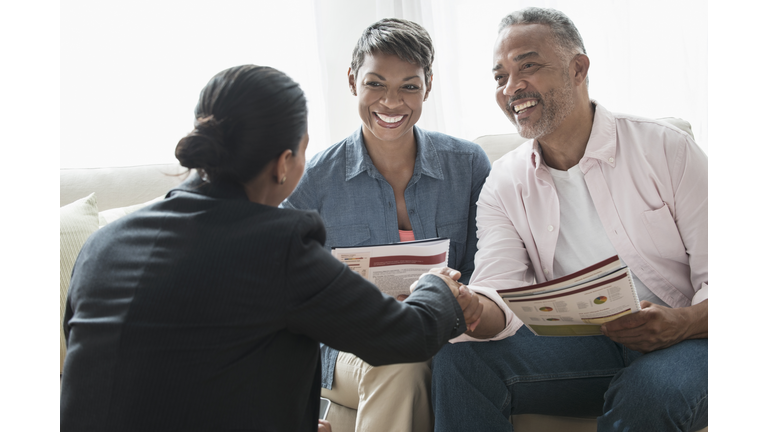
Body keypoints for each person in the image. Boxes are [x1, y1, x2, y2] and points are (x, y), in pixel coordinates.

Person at [60, 64, 483, 432]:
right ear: (284, 162)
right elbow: (407, 336)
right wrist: (437, 287)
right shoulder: (279, 244)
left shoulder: (102, 245)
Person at [430, 7, 708, 432]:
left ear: (578, 69)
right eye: (499, 76)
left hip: (692, 339)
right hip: (584, 347)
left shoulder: (667, 149)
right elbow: (499, 298)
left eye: (528, 66)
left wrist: (681, 324)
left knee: (648, 389)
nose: (511, 87)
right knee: (458, 358)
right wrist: (469, 306)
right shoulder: (503, 182)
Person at [281, 18, 491, 432]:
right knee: (400, 355)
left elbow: (492, 264)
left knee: (430, 356)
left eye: (409, 86)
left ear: (428, 86)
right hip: (347, 348)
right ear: (352, 81)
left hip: (448, 332)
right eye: (375, 84)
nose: (391, 103)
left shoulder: (467, 164)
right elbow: (283, 286)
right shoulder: (314, 180)